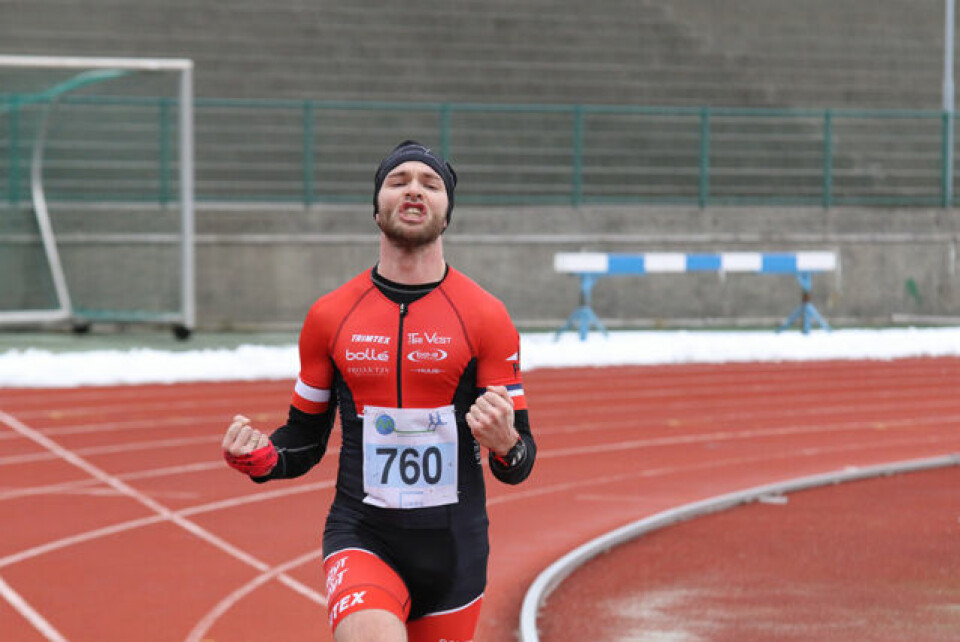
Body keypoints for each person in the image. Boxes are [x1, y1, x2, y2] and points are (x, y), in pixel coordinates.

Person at [221, 140, 537, 642]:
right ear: (376, 208)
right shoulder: (330, 315)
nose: (414, 190)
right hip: (361, 535)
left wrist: (505, 446)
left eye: (430, 184)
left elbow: (521, 460)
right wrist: (263, 457)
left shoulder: (486, 317)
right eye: (399, 181)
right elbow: (303, 439)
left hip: (455, 550)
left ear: (447, 212)